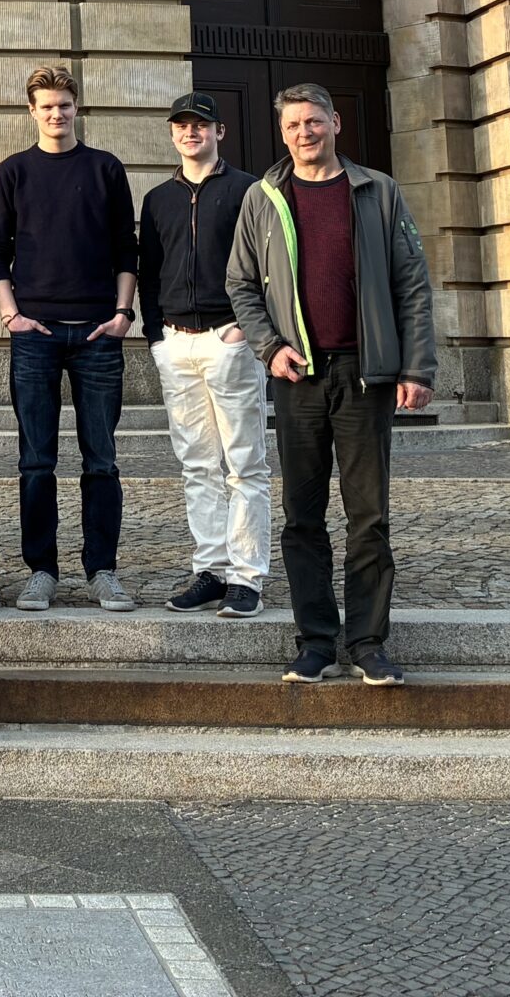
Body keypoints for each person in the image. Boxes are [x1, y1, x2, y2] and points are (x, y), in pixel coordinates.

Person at [227, 82, 437, 687]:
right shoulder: (262, 199)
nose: (304, 133)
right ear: (283, 132)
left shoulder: (377, 192)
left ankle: (368, 642)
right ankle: (316, 641)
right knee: (302, 515)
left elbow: (412, 285)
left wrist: (416, 367)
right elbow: (240, 283)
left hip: (366, 374)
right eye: (293, 124)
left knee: (369, 515)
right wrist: (270, 346)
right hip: (300, 376)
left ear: (336, 123)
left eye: (314, 121)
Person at [0, 64, 139, 613]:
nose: (57, 114)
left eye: (65, 105)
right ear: (32, 111)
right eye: (46, 106)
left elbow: (128, 248)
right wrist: (11, 316)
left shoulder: (105, 169)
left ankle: (102, 569)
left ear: (78, 108)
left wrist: (123, 315)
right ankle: (41, 571)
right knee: (35, 461)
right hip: (36, 335)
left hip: (99, 332)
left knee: (102, 459)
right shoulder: (15, 172)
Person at [136, 91, 266, 619]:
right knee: (196, 464)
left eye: (201, 125)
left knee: (243, 464)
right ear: (172, 134)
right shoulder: (158, 198)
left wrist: (249, 330)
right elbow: (149, 268)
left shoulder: (248, 190)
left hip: (228, 339)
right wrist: (155, 337)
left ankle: (248, 576)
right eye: (182, 126)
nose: (191, 133)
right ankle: (209, 570)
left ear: (219, 133)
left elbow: (268, 265)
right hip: (176, 342)